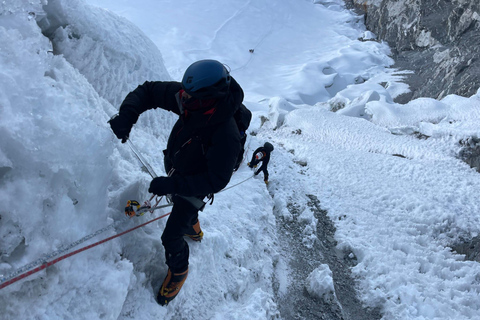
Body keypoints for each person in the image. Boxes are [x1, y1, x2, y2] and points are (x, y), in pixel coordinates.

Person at [109, 59, 244, 306]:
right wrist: (128, 115)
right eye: (183, 93)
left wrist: (174, 185)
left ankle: (179, 271)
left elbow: (215, 180)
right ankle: (192, 225)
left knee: (171, 236)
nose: (182, 99)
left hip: (196, 185)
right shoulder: (192, 99)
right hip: (177, 168)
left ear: (209, 99)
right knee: (182, 209)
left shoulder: (227, 135)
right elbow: (149, 91)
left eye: (189, 97)